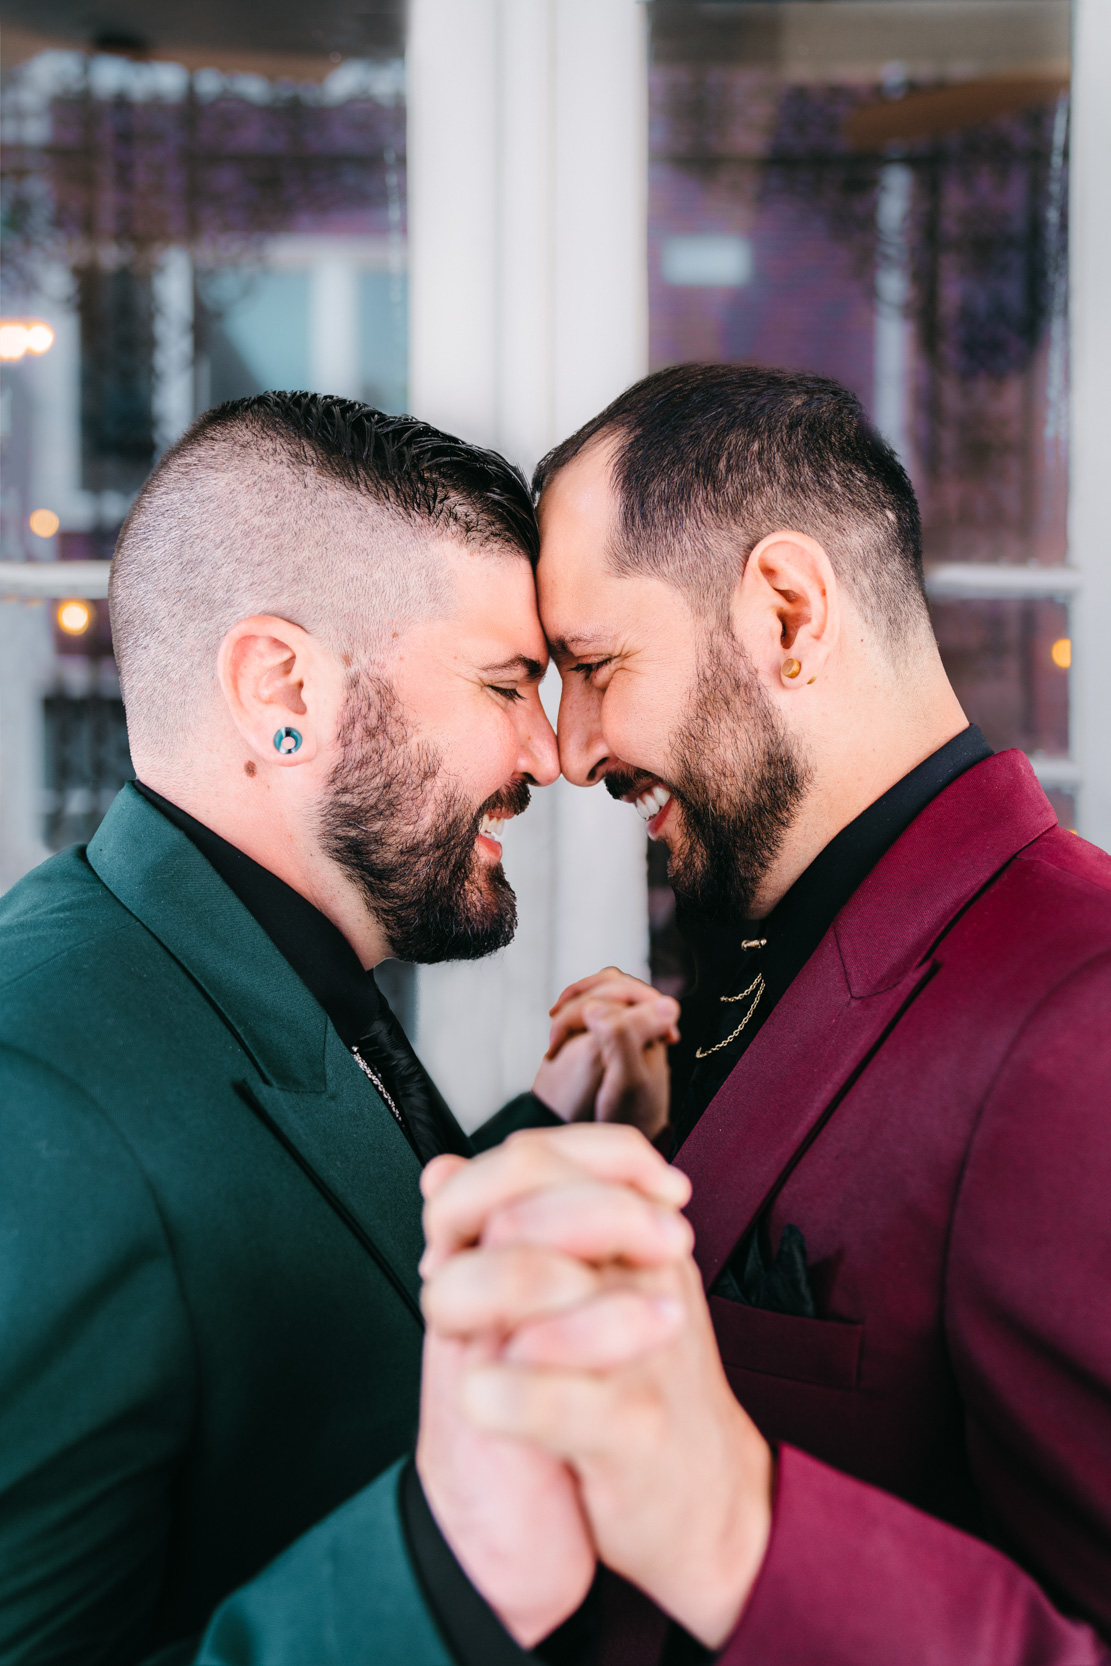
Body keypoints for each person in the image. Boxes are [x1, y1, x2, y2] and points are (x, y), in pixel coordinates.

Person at [407, 364, 1111, 1664]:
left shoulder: (1082, 1013)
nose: (561, 749)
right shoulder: (758, 959)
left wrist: (728, 1519)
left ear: (786, 611)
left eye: (595, 664)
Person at [0, 392, 676, 1665]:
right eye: (503, 684)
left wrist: (548, 1129)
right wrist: (445, 1581)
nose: (551, 753)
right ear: (280, 688)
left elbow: (305, 1253)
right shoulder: (31, 1097)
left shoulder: (242, 960)